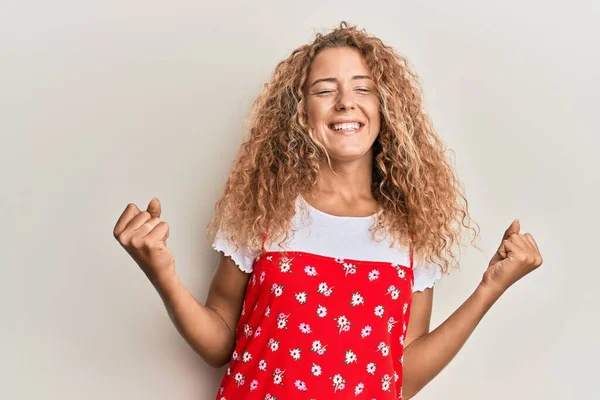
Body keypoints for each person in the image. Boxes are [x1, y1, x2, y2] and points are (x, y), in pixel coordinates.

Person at [113, 22, 543, 400]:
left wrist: (490, 288)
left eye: (363, 87)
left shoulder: (411, 233)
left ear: (386, 107)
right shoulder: (261, 212)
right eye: (324, 89)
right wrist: (162, 274)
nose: (344, 102)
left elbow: (403, 378)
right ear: (300, 111)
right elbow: (219, 345)